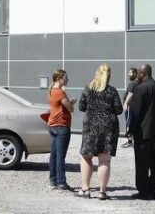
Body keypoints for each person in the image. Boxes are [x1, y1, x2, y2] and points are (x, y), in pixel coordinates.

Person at [78, 64, 123, 200]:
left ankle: (85, 188)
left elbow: (81, 107)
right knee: (105, 161)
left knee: (86, 157)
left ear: (97, 73)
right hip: (109, 127)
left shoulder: (88, 89)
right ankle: (102, 192)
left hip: (90, 125)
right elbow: (119, 110)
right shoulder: (112, 91)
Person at [128, 64, 155, 200]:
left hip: (142, 133)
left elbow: (136, 112)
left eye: (138, 73)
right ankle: (154, 189)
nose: (137, 75)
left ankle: (144, 191)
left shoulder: (140, 89)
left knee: (142, 163)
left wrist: (131, 130)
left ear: (143, 74)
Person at [46, 69, 75, 192]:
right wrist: (71, 102)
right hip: (61, 126)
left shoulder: (51, 91)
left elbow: (60, 106)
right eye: (65, 77)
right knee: (60, 156)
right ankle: (61, 182)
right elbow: (70, 109)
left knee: (54, 155)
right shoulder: (60, 93)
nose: (67, 79)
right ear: (59, 79)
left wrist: (68, 101)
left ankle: (53, 180)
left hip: (52, 125)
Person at [121, 67, 139, 148]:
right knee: (131, 124)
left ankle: (130, 141)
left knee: (129, 124)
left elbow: (130, 94)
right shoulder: (138, 83)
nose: (129, 75)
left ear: (135, 73)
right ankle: (132, 141)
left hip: (130, 107)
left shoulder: (133, 83)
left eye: (130, 73)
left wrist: (126, 104)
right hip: (133, 107)